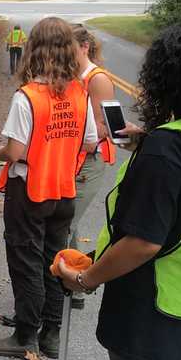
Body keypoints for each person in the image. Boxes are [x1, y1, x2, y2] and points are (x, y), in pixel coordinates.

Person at [58, 22, 181, 360]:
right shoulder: (174, 140)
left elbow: (143, 242)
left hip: (150, 297)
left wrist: (87, 277)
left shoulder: (166, 149)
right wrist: (148, 138)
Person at [0, 17, 99, 360]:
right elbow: (91, 142)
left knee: (25, 262)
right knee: (54, 261)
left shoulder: (28, 97)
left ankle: (24, 335)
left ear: (35, 49)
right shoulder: (80, 92)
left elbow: (15, 151)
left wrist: (0, 151)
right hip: (63, 190)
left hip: (30, 190)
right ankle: (50, 333)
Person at [67, 24, 119, 310]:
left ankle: (52, 297)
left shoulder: (97, 79)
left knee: (62, 225)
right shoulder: (73, 76)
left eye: (69, 47)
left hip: (89, 162)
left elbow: (104, 128)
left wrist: (62, 137)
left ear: (84, 47)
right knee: (67, 225)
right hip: (71, 160)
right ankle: (73, 286)